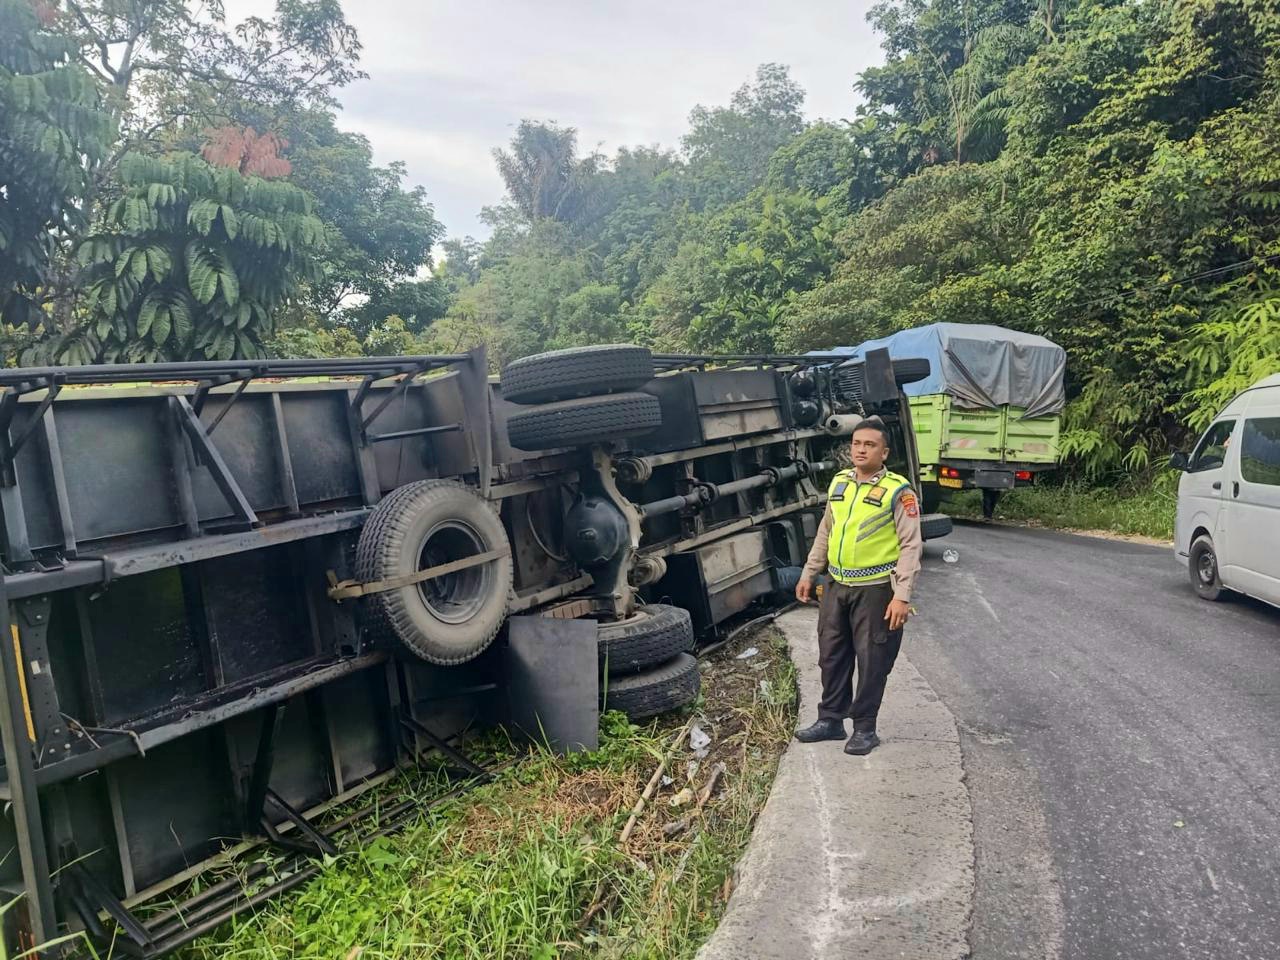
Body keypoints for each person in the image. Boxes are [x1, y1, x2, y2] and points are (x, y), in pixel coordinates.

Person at [793, 418, 923, 755]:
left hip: (877, 590)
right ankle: (831, 720)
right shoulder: (840, 483)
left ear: (885, 452)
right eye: (856, 443)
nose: (861, 449)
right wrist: (809, 573)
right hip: (837, 585)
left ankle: (865, 728)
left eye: (869, 445)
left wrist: (902, 596)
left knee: (872, 659)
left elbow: (911, 545)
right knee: (832, 656)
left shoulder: (899, 491)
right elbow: (826, 531)